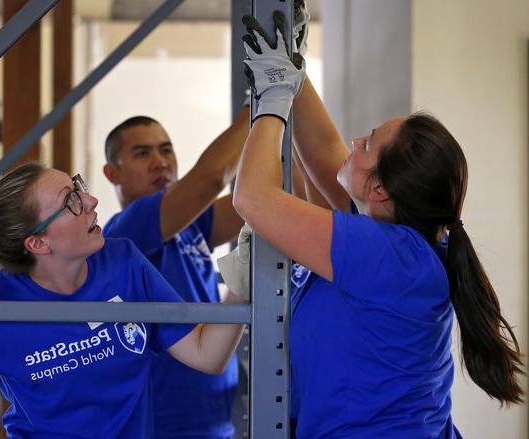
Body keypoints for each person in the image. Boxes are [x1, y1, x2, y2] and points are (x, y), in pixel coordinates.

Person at [222, 11, 524, 438]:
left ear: (380, 190)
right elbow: (325, 147)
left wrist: (271, 100)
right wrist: (294, 68)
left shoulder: (386, 254)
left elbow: (252, 196)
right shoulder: (401, 243)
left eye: (367, 143)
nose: (354, 141)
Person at [0, 162, 245, 438]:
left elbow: (206, 355)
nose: (91, 201)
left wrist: (242, 282)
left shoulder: (123, 262)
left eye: (78, 187)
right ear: (38, 243)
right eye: (71, 201)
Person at [100, 108, 248, 437]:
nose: (160, 161)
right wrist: (260, 106)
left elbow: (256, 203)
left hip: (216, 419)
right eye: (142, 153)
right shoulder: (127, 230)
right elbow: (211, 178)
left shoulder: (190, 225)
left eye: (166, 149)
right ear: (112, 174)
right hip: (163, 426)